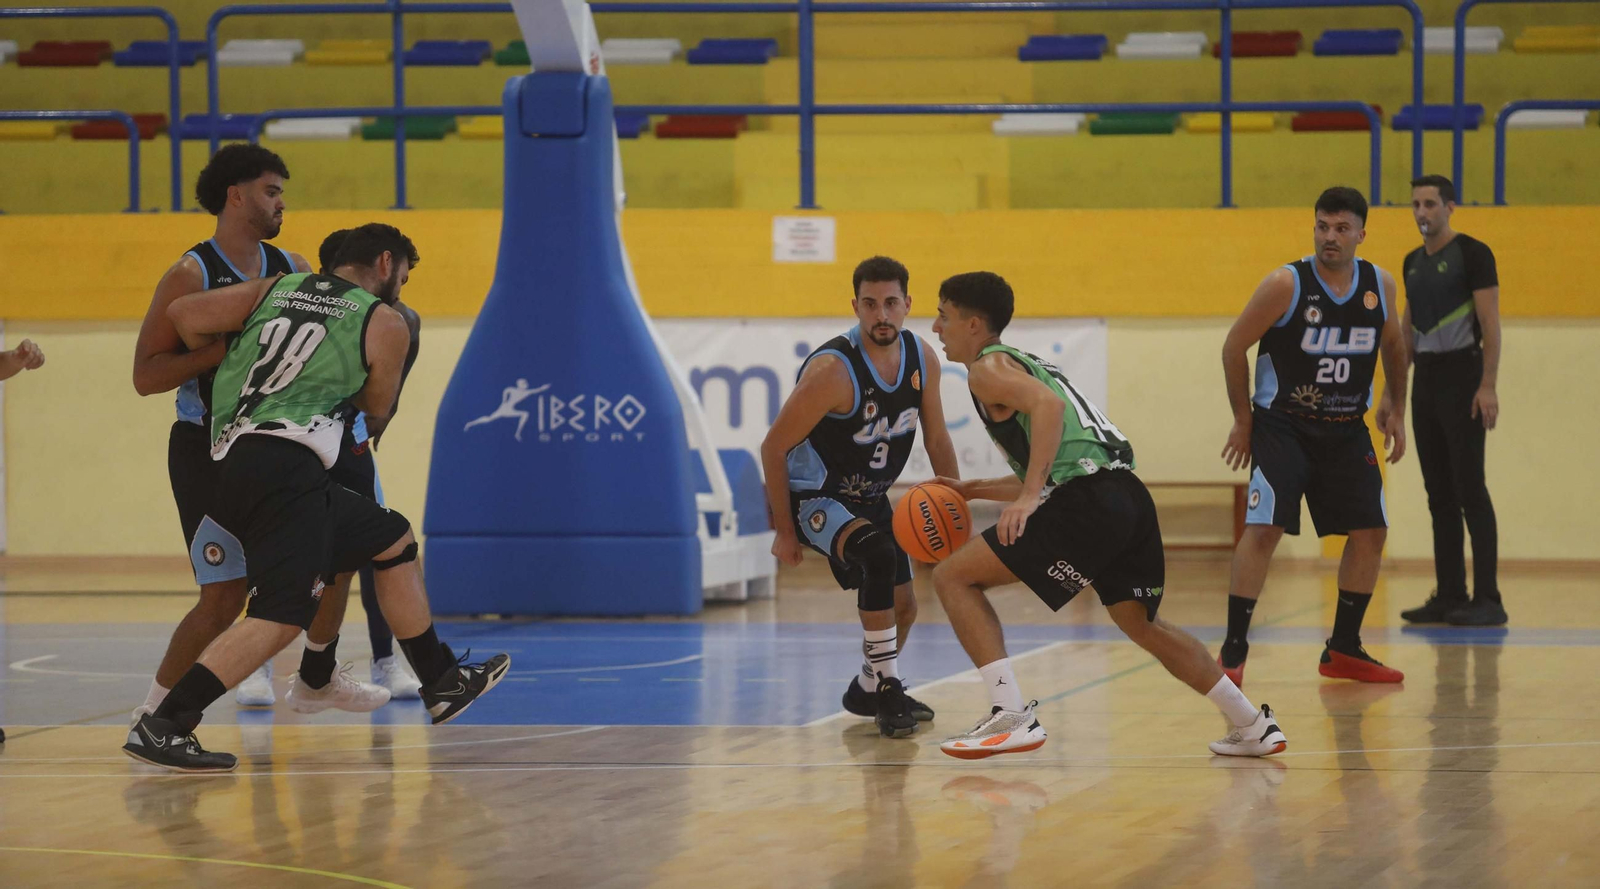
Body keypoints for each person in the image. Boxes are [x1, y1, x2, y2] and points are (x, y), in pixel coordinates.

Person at [124, 223, 509, 772]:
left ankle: (441, 681)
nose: (401, 285)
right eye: (404, 275)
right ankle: (166, 723)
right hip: (287, 464)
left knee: (391, 537)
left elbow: (184, 315)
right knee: (279, 616)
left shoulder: (277, 287)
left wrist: (243, 351)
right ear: (385, 263)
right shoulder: (385, 320)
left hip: (233, 458)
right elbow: (376, 406)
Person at [927, 271, 1286, 759]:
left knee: (952, 577)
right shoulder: (1024, 363)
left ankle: (1010, 713)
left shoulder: (986, 369)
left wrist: (1028, 497)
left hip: (1089, 502)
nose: (936, 327)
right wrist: (973, 490)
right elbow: (1058, 463)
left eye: (943, 317)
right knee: (1141, 623)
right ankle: (1251, 724)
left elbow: (1049, 409)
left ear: (973, 325)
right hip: (1126, 496)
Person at [131, 144, 389, 719]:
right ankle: (152, 714)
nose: (281, 203)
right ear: (236, 196)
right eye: (271, 192)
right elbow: (145, 376)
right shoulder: (190, 274)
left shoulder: (292, 267)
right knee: (224, 596)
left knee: (329, 556)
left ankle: (315, 675)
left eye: (281, 193)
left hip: (278, 442)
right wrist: (225, 350)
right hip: (206, 445)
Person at [760, 256, 959, 739]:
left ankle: (867, 687)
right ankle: (889, 688)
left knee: (905, 607)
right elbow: (773, 447)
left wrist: (956, 506)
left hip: (870, 496)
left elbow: (936, 437)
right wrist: (784, 531)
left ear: (907, 304)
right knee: (878, 555)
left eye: (891, 303)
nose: (881, 315)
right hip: (816, 497)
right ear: (856, 306)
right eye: (870, 304)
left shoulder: (922, 358)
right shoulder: (833, 371)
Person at [1217, 186, 1408, 687]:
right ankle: (1233, 650)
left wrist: (1396, 405)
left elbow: (1394, 344)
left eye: (1341, 228)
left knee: (1371, 532)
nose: (1330, 236)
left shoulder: (1381, 285)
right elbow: (1234, 346)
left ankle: (1343, 648)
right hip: (1284, 426)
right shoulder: (1286, 283)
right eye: (1322, 226)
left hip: (1346, 429)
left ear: (1361, 234)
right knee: (1265, 528)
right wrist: (1243, 420)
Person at [310, 229, 425, 700]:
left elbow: (385, 400)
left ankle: (385, 662)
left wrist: (372, 424)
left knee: (379, 547)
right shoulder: (307, 306)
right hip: (298, 441)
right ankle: (263, 670)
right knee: (280, 558)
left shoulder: (401, 320)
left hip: (350, 443)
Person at [1398, 175, 1506, 627]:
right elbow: (1406, 331)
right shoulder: (1411, 262)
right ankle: (1449, 594)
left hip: (1464, 376)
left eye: (1430, 204)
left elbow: (1491, 324)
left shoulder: (1473, 254)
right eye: (1415, 205)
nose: (1422, 212)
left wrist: (1487, 385)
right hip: (1425, 378)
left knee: (1470, 489)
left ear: (1450, 207)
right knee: (1438, 493)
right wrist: (1391, 393)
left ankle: (1488, 599)